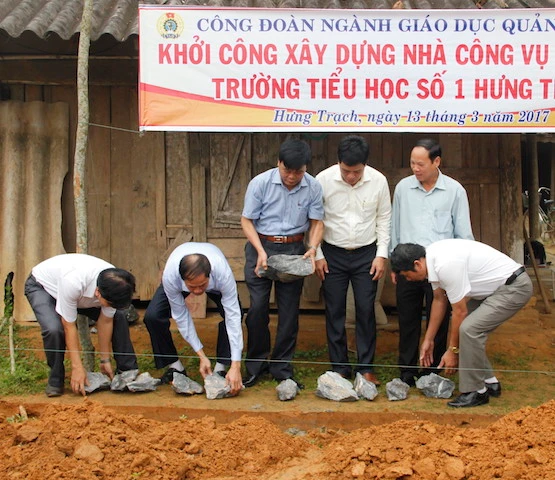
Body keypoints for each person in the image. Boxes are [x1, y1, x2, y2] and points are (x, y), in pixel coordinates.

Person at [390, 240, 533, 407]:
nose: (408, 279)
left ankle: (475, 391)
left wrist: (452, 351)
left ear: (417, 264)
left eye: (407, 275)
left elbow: (460, 312)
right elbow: (439, 300)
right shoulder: (431, 260)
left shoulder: (445, 265)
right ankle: (489, 382)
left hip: (514, 287)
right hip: (495, 290)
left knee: (469, 329)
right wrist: (428, 340)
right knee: (466, 329)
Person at [390, 138, 474, 386]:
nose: (415, 169)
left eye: (421, 164)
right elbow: (395, 226)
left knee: (439, 319)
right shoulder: (404, 188)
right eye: (412, 164)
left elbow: (463, 233)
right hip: (408, 266)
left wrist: (462, 267)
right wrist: (396, 263)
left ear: (436, 162)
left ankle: (433, 370)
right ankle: (406, 370)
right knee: (407, 319)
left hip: (441, 268)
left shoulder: (455, 190)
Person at [241, 138, 324, 388]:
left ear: (305, 168)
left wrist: (313, 247)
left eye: (298, 171)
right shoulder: (260, 183)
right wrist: (260, 252)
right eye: (287, 170)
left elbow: (317, 222)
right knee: (257, 310)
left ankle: (282, 368)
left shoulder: (313, 187)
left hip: (294, 249)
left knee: (289, 314)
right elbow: (247, 221)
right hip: (262, 246)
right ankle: (255, 365)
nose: (292, 176)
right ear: (278, 163)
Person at [315, 135, 391, 385]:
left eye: (356, 172)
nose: (350, 177)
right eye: (346, 171)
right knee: (334, 310)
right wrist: (318, 254)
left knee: (366, 309)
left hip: (366, 253)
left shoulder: (378, 181)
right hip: (332, 253)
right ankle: (339, 368)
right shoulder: (323, 180)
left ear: (365, 166)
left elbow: (384, 219)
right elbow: (315, 220)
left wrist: (381, 255)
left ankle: (366, 367)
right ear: (338, 163)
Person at [24, 254, 138, 397]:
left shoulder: (115, 283)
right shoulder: (73, 282)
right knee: (53, 329)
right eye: (108, 303)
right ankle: (56, 379)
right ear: (98, 293)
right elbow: (69, 326)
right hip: (44, 287)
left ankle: (126, 371)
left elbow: (106, 321)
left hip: (79, 296)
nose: (110, 306)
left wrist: (105, 359)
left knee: (118, 316)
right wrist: (77, 367)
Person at [144, 242, 243, 395]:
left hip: (217, 277)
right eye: (192, 287)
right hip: (176, 276)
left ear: (209, 276)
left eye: (202, 285)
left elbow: (233, 316)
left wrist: (236, 365)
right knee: (153, 316)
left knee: (235, 314)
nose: (197, 291)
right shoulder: (171, 276)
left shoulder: (222, 273)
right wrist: (201, 355)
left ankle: (222, 367)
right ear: (183, 280)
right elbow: (181, 316)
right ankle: (175, 367)